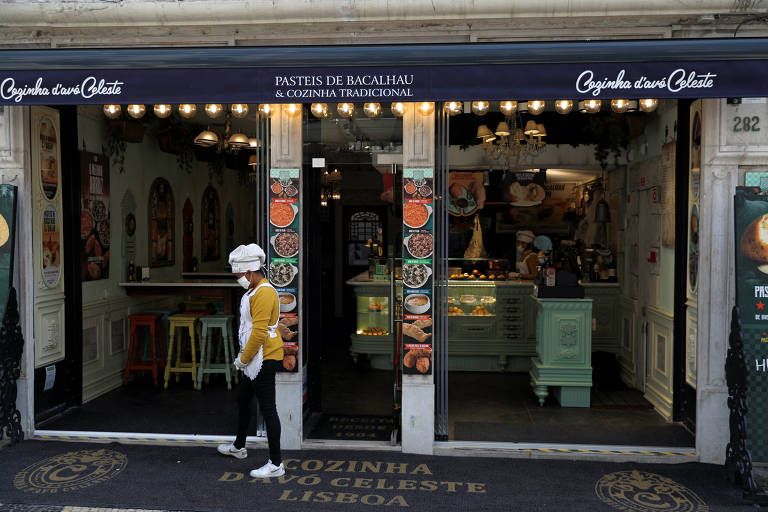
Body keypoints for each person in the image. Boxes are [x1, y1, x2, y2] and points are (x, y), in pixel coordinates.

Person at [217, 243, 285, 479]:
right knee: (243, 399)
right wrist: (246, 359)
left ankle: (276, 463)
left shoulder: (264, 292)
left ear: (250, 272)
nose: (238, 280)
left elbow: (258, 332)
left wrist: (242, 360)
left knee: (268, 409)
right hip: (253, 358)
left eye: (239, 276)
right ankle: (238, 446)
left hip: (264, 357)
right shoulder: (253, 290)